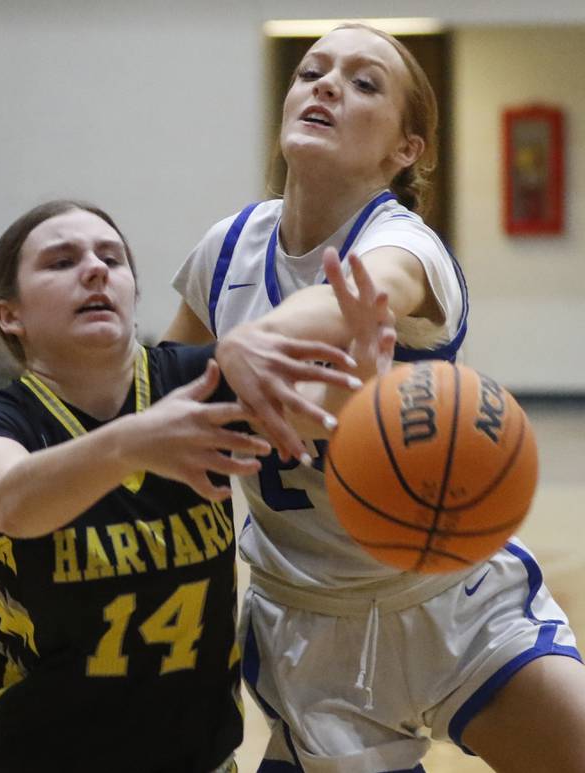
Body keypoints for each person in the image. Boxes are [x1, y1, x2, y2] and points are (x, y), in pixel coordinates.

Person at [0, 199, 387, 772]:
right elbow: (7, 500)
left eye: (111, 258)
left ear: (133, 292)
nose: (95, 269)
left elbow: (314, 419)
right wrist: (132, 441)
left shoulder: (194, 379)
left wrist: (363, 381)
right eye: (62, 261)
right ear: (10, 316)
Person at [167, 22, 585, 773]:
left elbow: (366, 291)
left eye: (364, 83)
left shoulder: (405, 246)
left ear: (406, 149)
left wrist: (249, 344)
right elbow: (164, 391)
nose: (326, 84)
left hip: (454, 597)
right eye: (311, 71)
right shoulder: (226, 251)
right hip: (310, 625)